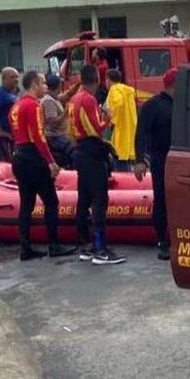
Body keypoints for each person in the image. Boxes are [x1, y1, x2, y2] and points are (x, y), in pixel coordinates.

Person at [10, 71, 77, 261]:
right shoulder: (33, 106)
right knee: (51, 201)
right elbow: (39, 137)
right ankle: (54, 245)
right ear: (34, 84)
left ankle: (25, 248)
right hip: (33, 158)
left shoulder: (16, 106)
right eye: (42, 83)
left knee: (26, 204)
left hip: (20, 156)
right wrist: (50, 162)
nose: (45, 87)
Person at [69, 64, 125, 265]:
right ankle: (101, 249)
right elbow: (96, 129)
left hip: (80, 151)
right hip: (92, 151)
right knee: (100, 199)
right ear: (97, 80)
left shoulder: (73, 99)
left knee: (83, 199)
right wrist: (107, 118)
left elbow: (72, 129)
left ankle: (86, 245)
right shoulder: (88, 99)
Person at [134, 68, 176, 260]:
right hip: (161, 159)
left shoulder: (183, 105)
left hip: (181, 160)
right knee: (162, 200)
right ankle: (162, 241)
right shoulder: (153, 105)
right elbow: (141, 132)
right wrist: (139, 160)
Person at [42, 75, 80, 169]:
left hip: (60, 134)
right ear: (58, 86)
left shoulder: (54, 97)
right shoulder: (48, 101)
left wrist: (78, 84)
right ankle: (71, 169)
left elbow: (67, 95)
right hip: (55, 136)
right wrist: (66, 113)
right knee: (75, 148)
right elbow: (53, 122)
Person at [104, 70, 137, 172]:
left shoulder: (114, 90)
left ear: (108, 79)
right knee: (126, 160)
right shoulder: (127, 90)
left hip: (119, 131)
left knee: (119, 160)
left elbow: (118, 103)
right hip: (129, 130)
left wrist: (111, 117)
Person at [0, 67, 20, 161]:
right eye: (13, 77)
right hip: (4, 137)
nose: (16, 80)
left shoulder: (12, 94)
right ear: (4, 78)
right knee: (5, 162)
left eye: (17, 77)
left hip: (13, 135)